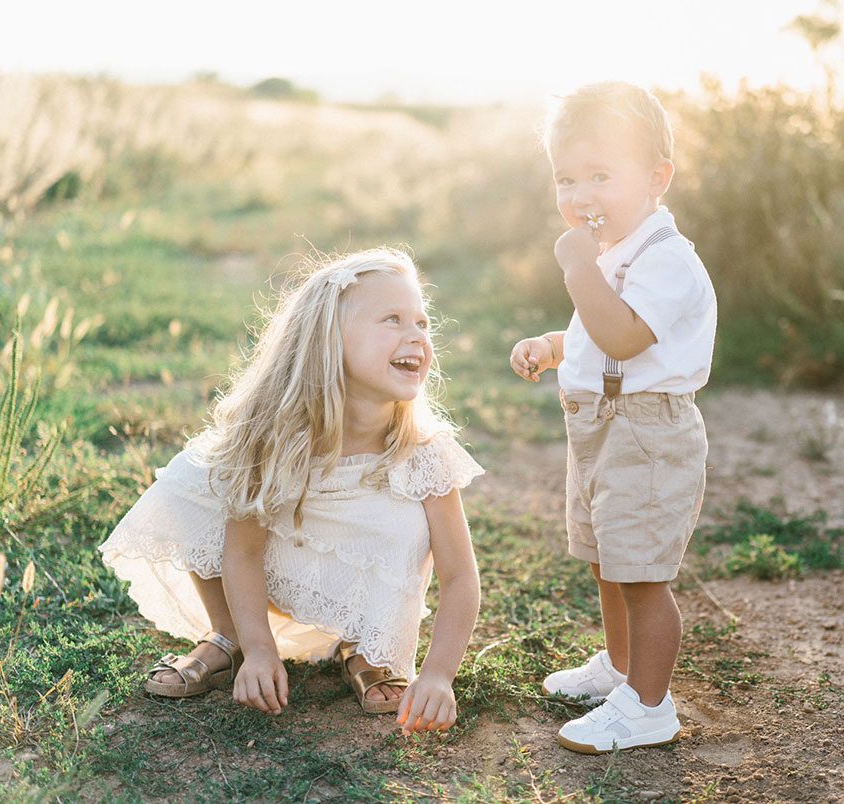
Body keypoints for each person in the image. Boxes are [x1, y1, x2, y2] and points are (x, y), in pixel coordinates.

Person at [100, 248, 482, 734]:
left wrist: (438, 676)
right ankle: (232, 633)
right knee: (194, 479)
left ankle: (367, 647)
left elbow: (460, 579)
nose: (417, 336)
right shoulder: (275, 435)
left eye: (423, 323)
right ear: (328, 341)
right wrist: (262, 651)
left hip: (367, 571)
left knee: (400, 521)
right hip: (280, 567)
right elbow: (242, 551)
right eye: (392, 319)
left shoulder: (426, 451)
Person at [509, 82, 716, 754]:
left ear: (657, 178)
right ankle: (621, 668)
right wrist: (553, 345)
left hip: (647, 435)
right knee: (607, 561)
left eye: (601, 175)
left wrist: (575, 270)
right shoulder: (616, 256)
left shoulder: (666, 261)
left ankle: (649, 706)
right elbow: (600, 335)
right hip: (600, 428)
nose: (580, 197)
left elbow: (626, 337)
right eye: (567, 179)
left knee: (641, 574)